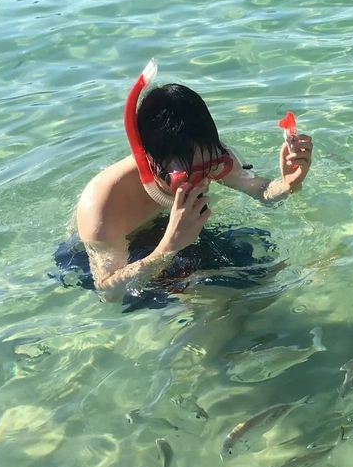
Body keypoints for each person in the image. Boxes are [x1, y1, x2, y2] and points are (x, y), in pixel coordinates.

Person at [64, 62, 313, 305]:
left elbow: (260, 190)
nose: (202, 182)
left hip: (169, 236)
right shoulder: (104, 203)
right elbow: (109, 293)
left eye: (212, 168)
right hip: (103, 262)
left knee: (259, 266)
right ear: (148, 161)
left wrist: (289, 183)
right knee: (212, 295)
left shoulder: (205, 153)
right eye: (188, 176)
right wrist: (168, 247)